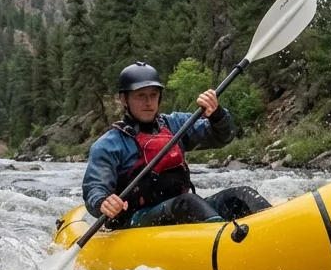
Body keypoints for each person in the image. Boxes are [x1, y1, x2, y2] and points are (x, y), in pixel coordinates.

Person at [83, 62, 270, 229]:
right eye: (140, 96)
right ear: (124, 100)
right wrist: (102, 202)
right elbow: (94, 188)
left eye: (153, 95)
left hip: (182, 209)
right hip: (136, 219)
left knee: (242, 195)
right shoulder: (109, 144)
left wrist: (217, 114)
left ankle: (273, 229)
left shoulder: (175, 124)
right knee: (187, 202)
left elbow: (223, 136)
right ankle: (224, 243)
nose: (148, 102)